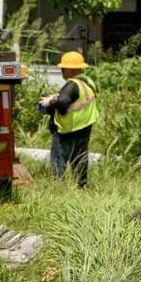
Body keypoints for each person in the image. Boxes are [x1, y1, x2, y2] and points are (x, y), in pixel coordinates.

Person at [37, 51, 99, 188]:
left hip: (66, 130)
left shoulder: (71, 85)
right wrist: (56, 97)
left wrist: (50, 103)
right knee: (80, 159)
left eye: (63, 68)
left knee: (59, 159)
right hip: (84, 127)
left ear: (70, 70)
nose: (61, 71)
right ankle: (82, 186)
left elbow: (63, 103)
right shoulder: (87, 83)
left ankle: (58, 187)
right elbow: (78, 100)